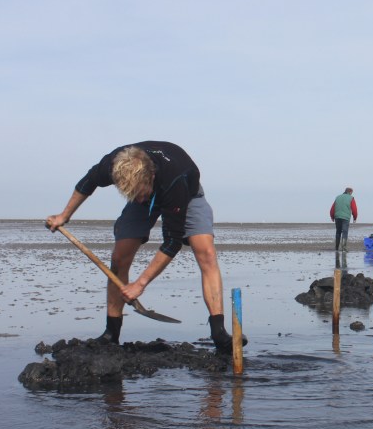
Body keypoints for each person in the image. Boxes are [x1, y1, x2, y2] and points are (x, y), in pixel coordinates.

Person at [46, 141, 238, 352]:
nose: (138, 198)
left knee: (206, 253)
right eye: (131, 193)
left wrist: (140, 283)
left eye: (140, 192)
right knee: (119, 258)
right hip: (149, 191)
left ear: (151, 176)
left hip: (186, 195)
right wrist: (64, 216)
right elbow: (87, 184)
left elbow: (172, 242)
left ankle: (219, 333)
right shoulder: (112, 165)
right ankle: (111, 333)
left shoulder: (175, 180)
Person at [329, 187, 357, 252]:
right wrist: (355, 218)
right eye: (351, 192)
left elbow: (332, 208)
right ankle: (344, 248)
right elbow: (354, 209)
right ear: (350, 192)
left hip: (337, 217)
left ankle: (336, 248)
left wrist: (332, 217)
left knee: (338, 232)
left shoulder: (338, 197)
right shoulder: (351, 198)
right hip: (345, 218)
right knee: (345, 232)